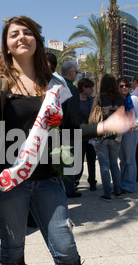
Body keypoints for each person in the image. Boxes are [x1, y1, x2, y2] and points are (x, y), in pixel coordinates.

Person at [0, 15, 134, 265]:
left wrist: (104, 127)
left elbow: (69, 130)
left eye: (27, 32)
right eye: (14, 35)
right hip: (9, 181)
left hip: (48, 179)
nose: (21, 38)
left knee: (65, 245)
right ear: (7, 46)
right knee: (12, 248)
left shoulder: (57, 86)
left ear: (37, 40)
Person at [90, 74, 124, 201]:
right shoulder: (121, 99)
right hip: (116, 135)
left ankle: (107, 193)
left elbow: (92, 114)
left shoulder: (99, 98)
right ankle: (118, 190)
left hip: (102, 135)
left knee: (104, 166)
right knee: (114, 164)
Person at [118, 77, 138, 193]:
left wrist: (134, 126)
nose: (124, 88)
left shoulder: (133, 99)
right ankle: (122, 183)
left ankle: (129, 185)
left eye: (126, 86)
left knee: (129, 160)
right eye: (121, 86)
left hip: (130, 133)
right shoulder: (117, 100)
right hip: (119, 133)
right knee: (122, 160)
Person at [61, 60, 82, 198]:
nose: (77, 75)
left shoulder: (56, 85)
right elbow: (74, 113)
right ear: (70, 73)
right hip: (70, 131)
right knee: (69, 162)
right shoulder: (72, 89)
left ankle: (61, 188)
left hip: (57, 129)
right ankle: (69, 189)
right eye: (76, 72)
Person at [75, 77, 97, 191]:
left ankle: (92, 181)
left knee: (91, 158)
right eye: (90, 88)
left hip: (90, 133)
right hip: (79, 133)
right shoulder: (75, 100)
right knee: (78, 160)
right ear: (84, 87)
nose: (92, 90)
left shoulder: (91, 100)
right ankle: (76, 180)